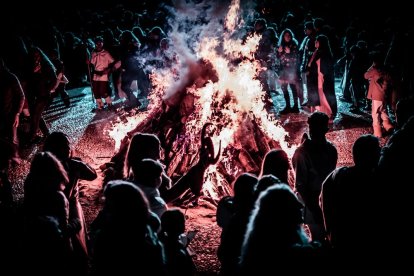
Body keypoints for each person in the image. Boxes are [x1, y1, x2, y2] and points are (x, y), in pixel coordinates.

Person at [43, 131, 97, 275]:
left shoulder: (42, 163)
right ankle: (80, 267)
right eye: (66, 145)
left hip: (46, 207)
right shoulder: (74, 165)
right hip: (71, 204)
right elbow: (93, 175)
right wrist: (80, 162)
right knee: (77, 237)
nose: (69, 147)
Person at [292, 111, 337, 243]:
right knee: (318, 239)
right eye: (312, 127)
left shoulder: (329, 150)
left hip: (325, 198)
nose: (312, 131)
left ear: (325, 129)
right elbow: (301, 186)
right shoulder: (302, 153)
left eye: (316, 128)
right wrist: (315, 210)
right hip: (312, 201)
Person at [0, 57, 25, 163]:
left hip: (10, 113)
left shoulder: (11, 77)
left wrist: (17, 114)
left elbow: (21, 96)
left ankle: (15, 156)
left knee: (13, 137)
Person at [364, 51, 394, 137]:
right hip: (384, 95)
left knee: (375, 114)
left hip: (376, 96)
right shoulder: (385, 70)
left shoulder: (374, 70)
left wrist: (372, 66)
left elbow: (365, 75)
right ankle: (388, 126)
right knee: (383, 111)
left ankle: (378, 133)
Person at [89, 36, 115, 110]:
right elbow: (92, 63)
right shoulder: (93, 53)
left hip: (103, 74)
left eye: (100, 43)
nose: (99, 45)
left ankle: (109, 103)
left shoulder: (106, 53)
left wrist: (108, 70)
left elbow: (112, 62)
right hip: (96, 74)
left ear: (102, 43)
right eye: (97, 43)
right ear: (95, 44)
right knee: (96, 91)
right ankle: (100, 105)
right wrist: (89, 62)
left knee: (102, 91)